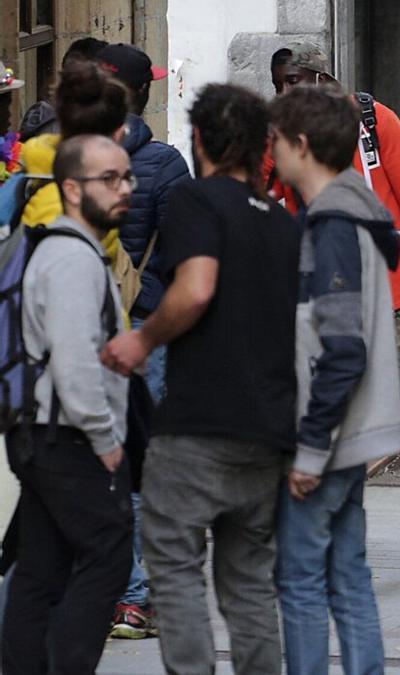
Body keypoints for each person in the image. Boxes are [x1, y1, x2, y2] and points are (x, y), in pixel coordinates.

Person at [100, 84, 300, 674]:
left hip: (199, 426)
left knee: (175, 566)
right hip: (267, 431)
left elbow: (195, 289)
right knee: (248, 583)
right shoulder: (283, 223)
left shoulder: (197, 200)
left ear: (202, 139)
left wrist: (141, 339)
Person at [268, 42, 400, 571]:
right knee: (334, 416)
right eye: (280, 83)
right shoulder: (281, 136)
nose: (289, 92)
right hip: (324, 295)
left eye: (298, 81)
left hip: (397, 292)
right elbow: (264, 195)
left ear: (324, 78)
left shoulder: (374, 122)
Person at [268, 83, 400, 673]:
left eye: (276, 140)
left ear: (300, 145)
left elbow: (341, 349)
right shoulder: (356, 214)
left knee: (300, 581)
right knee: (348, 576)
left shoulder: (333, 225)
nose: (271, 151)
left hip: (330, 438)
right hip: (354, 433)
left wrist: (310, 447)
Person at [1, 134, 132, 674]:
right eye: (110, 180)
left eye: (126, 177)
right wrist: (105, 439)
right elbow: (75, 360)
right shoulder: (73, 257)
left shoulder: (62, 248)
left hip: (41, 430)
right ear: (73, 189)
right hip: (66, 434)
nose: (125, 189)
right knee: (109, 550)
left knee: (39, 566)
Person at [96, 41, 191, 642]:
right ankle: (138, 595)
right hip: (144, 329)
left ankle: (114, 587)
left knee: (98, 459)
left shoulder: (68, 153)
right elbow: (183, 253)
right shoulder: (164, 163)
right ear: (145, 93)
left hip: (86, 327)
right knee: (142, 466)